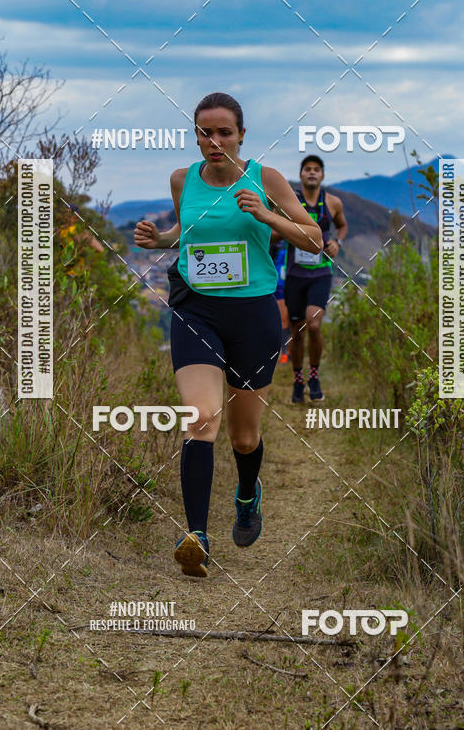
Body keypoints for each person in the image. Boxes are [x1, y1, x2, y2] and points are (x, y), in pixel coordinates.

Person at [134, 92, 322, 578]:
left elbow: (314, 240)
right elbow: (188, 232)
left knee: (243, 436)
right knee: (200, 417)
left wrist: (266, 214)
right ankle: (196, 535)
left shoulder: (267, 179)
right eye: (203, 132)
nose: (213, 141)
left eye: (223, 132)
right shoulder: (182, 179)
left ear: (241, 134)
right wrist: (162, 239)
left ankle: (246, 495)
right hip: (197, 310)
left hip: (254, 315)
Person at [282, 155, 347, 404]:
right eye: (307, 169)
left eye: (316, 169)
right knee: (297, 332)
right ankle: (298, 381)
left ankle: (314, 375)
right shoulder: (291, 202)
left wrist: (337, 243)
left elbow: (342, 226)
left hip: (321, 273)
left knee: (315, 324)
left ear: (322, 175)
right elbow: (277, 232)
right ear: (300, 175)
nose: (312, 173)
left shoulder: (332, 202)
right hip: (295, 274)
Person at [270, 238, 291, 363]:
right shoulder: (275, 244)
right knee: (283, 319)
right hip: (279, 284)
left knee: (295, 321)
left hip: (297, 280)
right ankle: (284, 353)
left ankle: (291, 351)